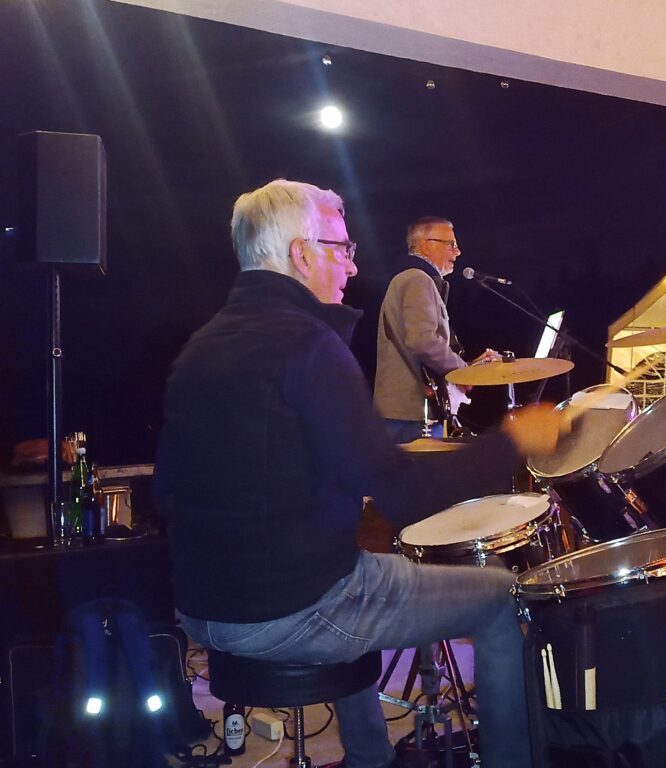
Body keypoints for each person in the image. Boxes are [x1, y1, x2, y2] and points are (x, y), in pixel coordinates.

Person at [154, 180, 562, 768]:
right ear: (301, 255)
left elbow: (168, 490)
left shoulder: (202, 347)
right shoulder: (308, 343)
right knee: (501, 596)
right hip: (285, 610)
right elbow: (402, 495)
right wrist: (513, 443)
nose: (351, 265)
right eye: (341, 248)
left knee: (357, 569)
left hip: (200, 608)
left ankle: (370, 756)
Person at [374, 217, 501, 443]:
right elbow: (422, 341)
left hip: (405, 411)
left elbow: (418, 344)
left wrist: (470, 367)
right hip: (411, 413)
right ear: (426, 245)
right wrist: (463, 371)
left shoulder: (412, 278)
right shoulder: (417, 279)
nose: (458, 252)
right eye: (451, 244)